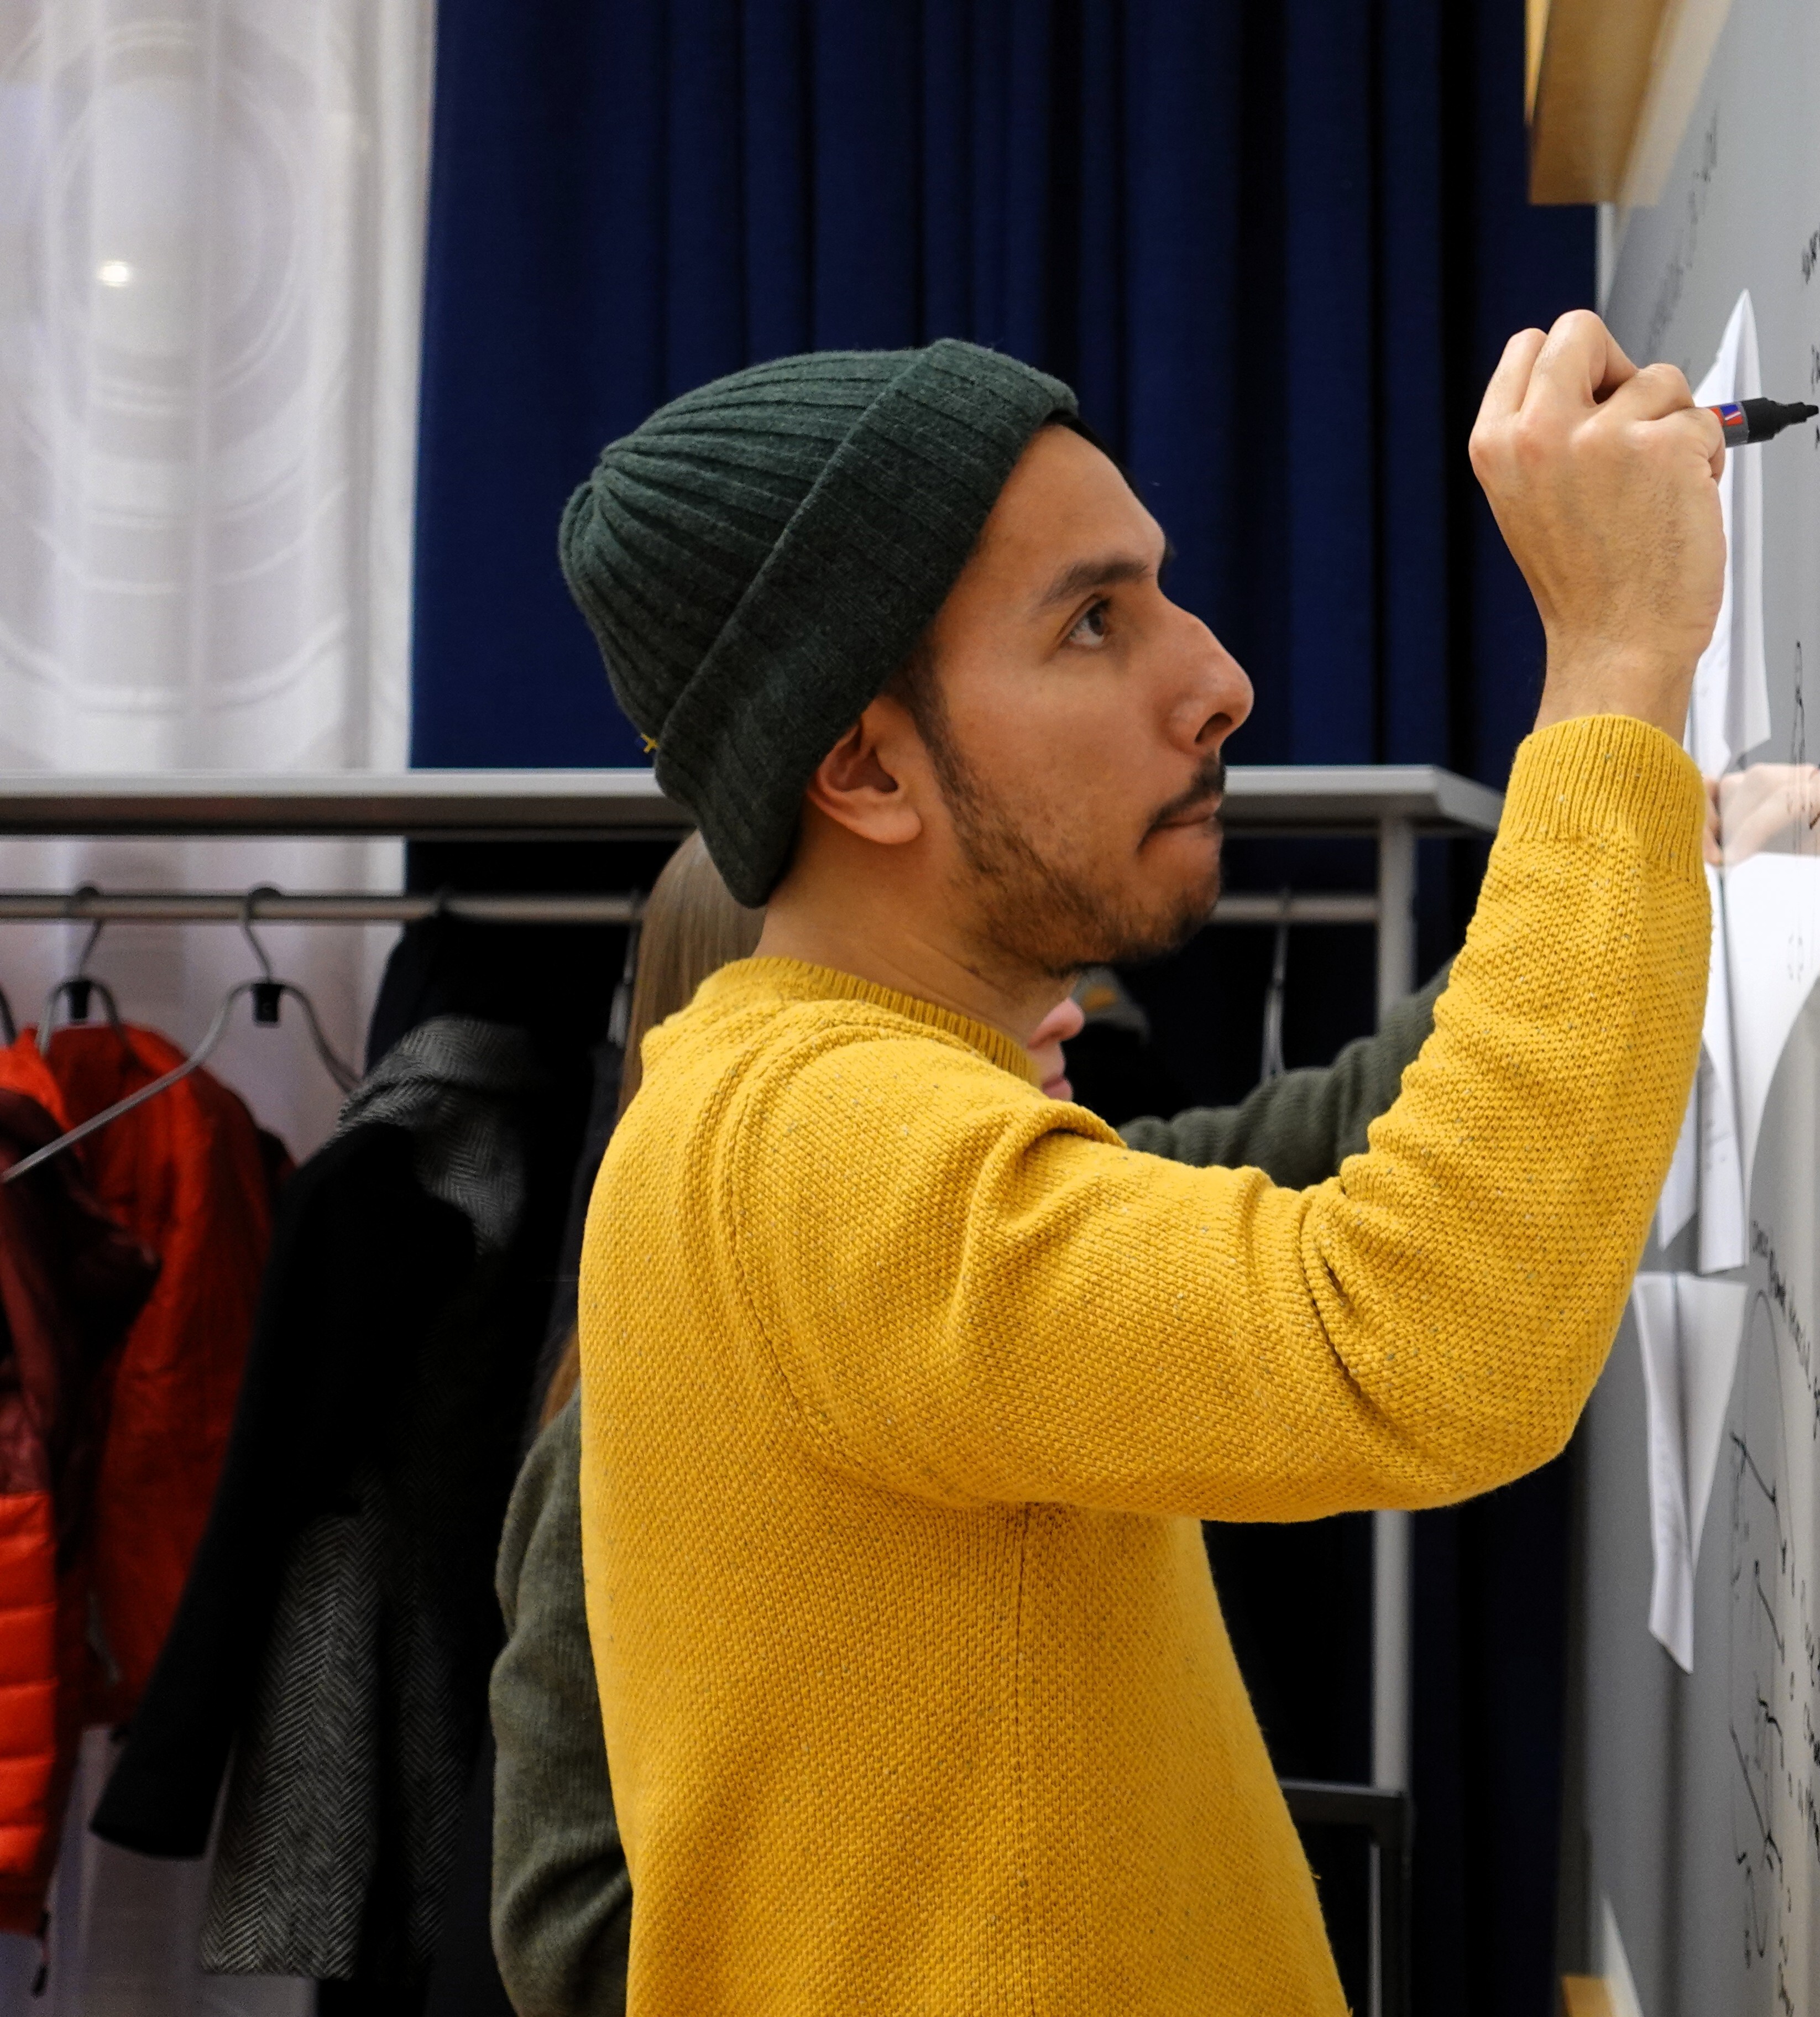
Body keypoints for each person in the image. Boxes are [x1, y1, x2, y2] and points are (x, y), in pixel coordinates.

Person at [552, 321, 1722, 2010]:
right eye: (1095, 621)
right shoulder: (822, 1142)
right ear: (866, 767)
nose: (1220, 676)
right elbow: (1423, 1348)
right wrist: (1614, 663)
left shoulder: (798, 1106)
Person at [489, 833, 1453, 2017]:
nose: (1062, 1014)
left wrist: (1617, 838)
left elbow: (1321, 1132)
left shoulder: (981, 1239)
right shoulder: (620, 1431)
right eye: (933, 981)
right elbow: (565, 1917)